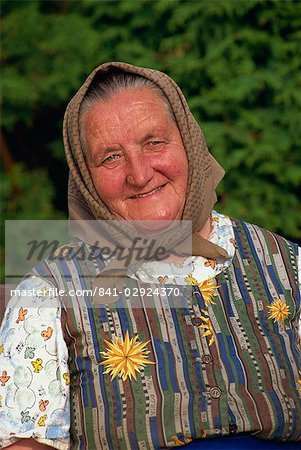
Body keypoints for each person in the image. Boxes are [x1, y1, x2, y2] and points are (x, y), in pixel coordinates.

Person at [0, 62, 300, 450]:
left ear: (189, 142)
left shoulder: (286, 265)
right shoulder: (48, 294)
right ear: (85, 179)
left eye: (154, 143)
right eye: (110, 157)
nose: (140, 175)